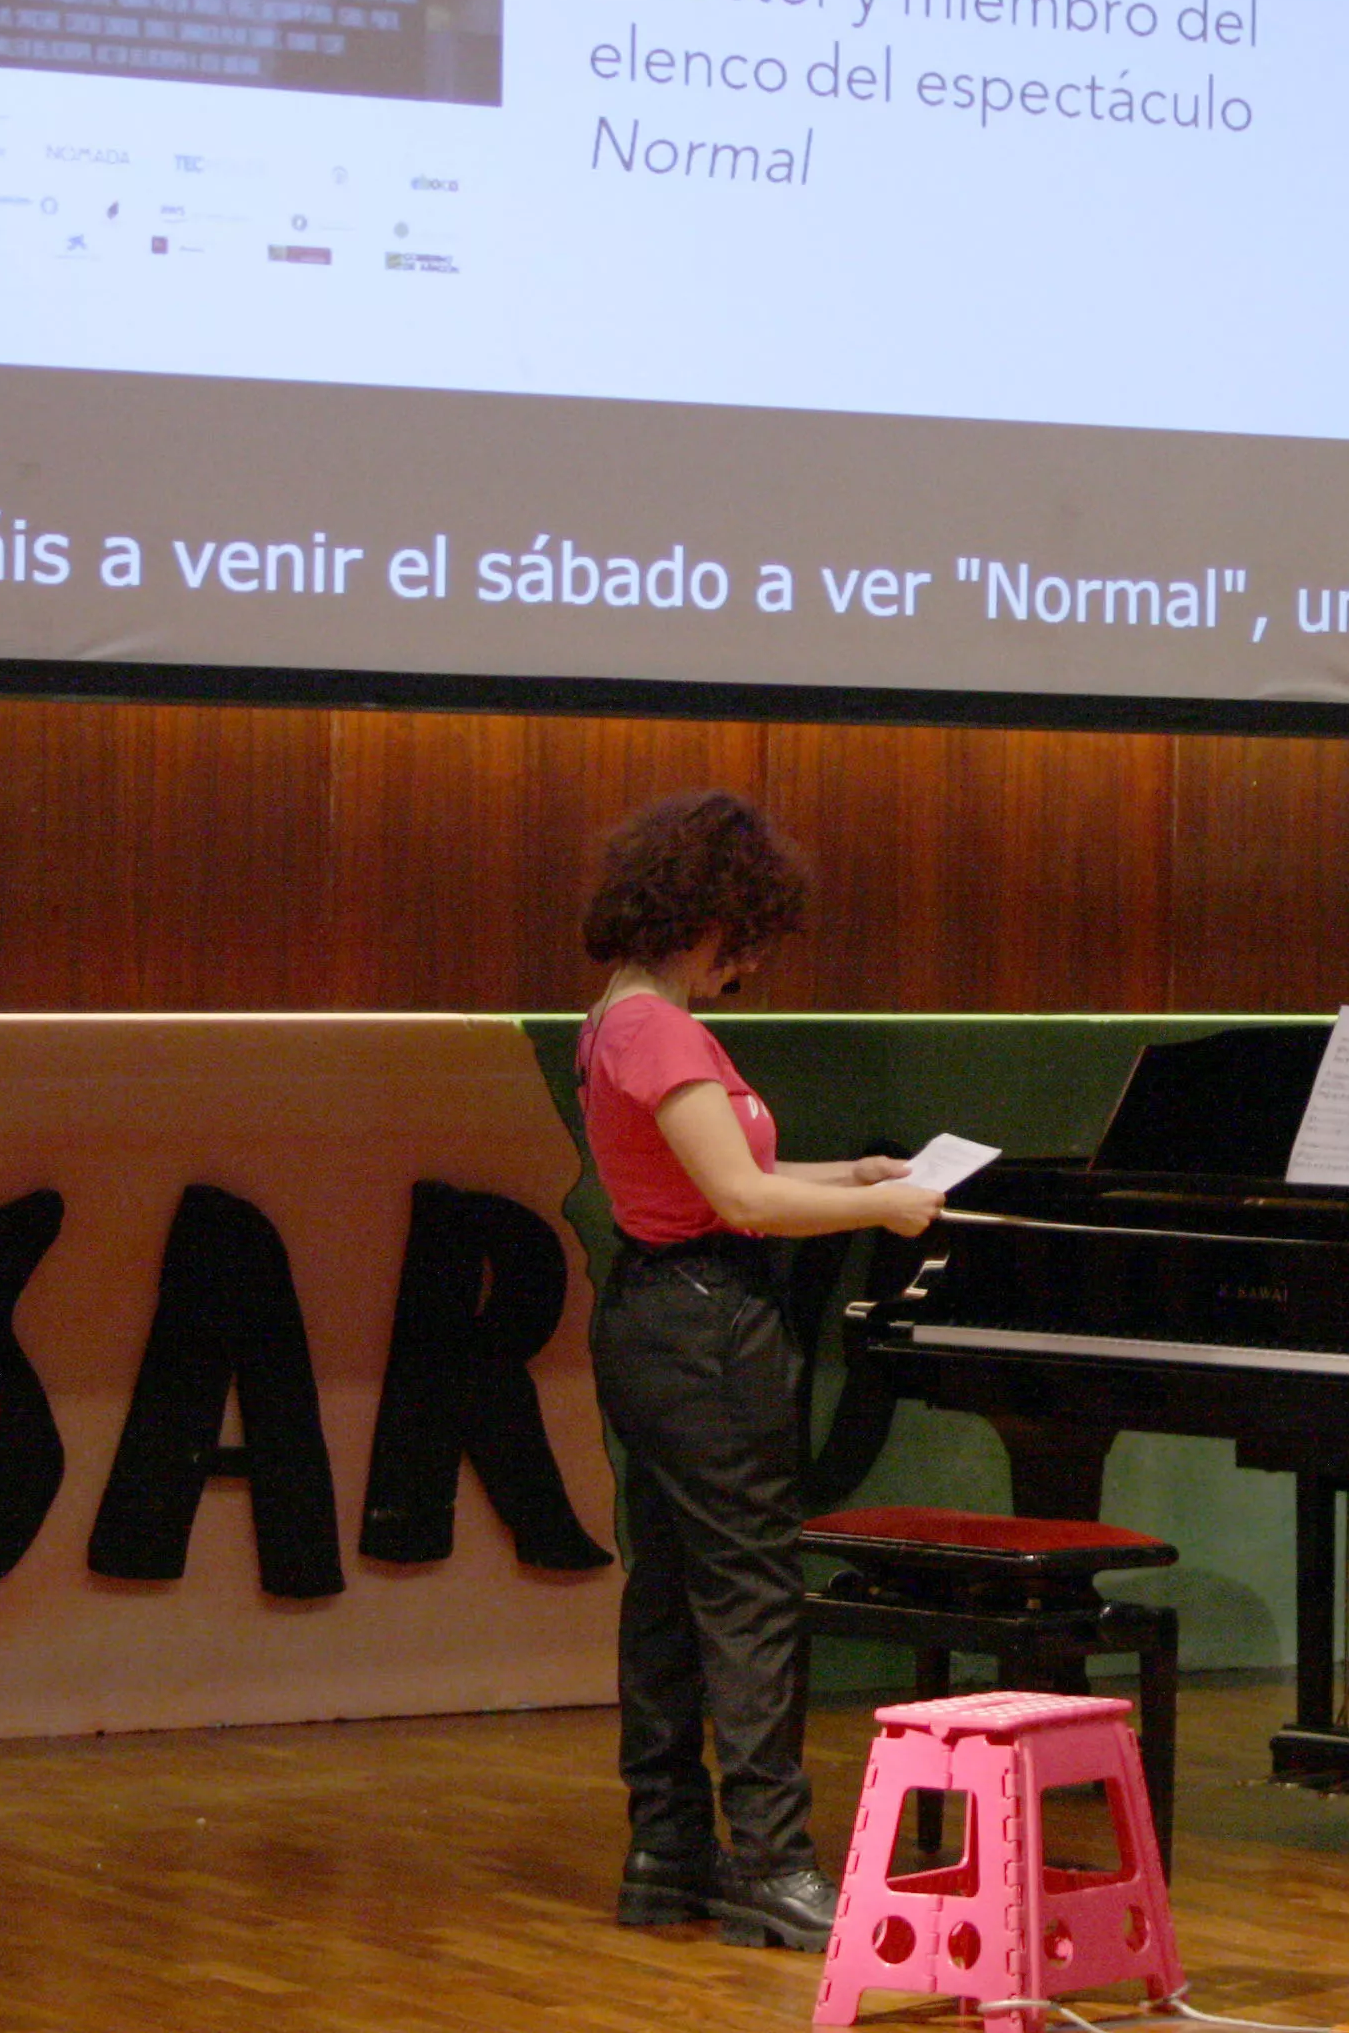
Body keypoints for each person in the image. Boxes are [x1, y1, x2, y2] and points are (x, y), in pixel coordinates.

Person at [577, 791, 940, 1948]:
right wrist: (887, 1207)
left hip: (654, 1311)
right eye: (753, 939)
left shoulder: (620, 1019)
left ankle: (668, 1853)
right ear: (718, 915)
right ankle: (775, 1867)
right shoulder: (664, 1032)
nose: (754, 964)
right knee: (750, 1598)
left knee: (671, 1590)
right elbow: (737, 1201)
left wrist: (852, 1173)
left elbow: (717, 1180)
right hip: (706, 1328)